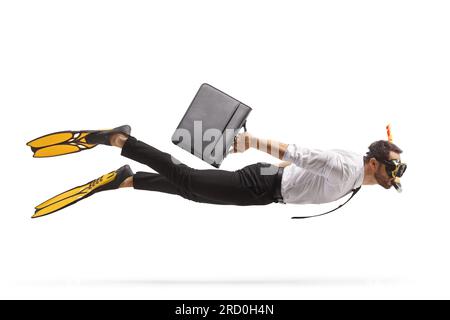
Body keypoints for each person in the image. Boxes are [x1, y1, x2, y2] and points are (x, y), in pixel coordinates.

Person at [28, 125, 406, 218]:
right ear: (374, 162)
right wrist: (254, 141)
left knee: (192, 190)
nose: (394, 175)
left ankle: (125, 179)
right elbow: (299, 152)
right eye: (392, 168)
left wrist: (279, 172)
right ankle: (120, 141)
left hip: (268, 185)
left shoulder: (354, 172)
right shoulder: (345, 167)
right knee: (190, 181)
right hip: (262, 185)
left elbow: (303, 163)